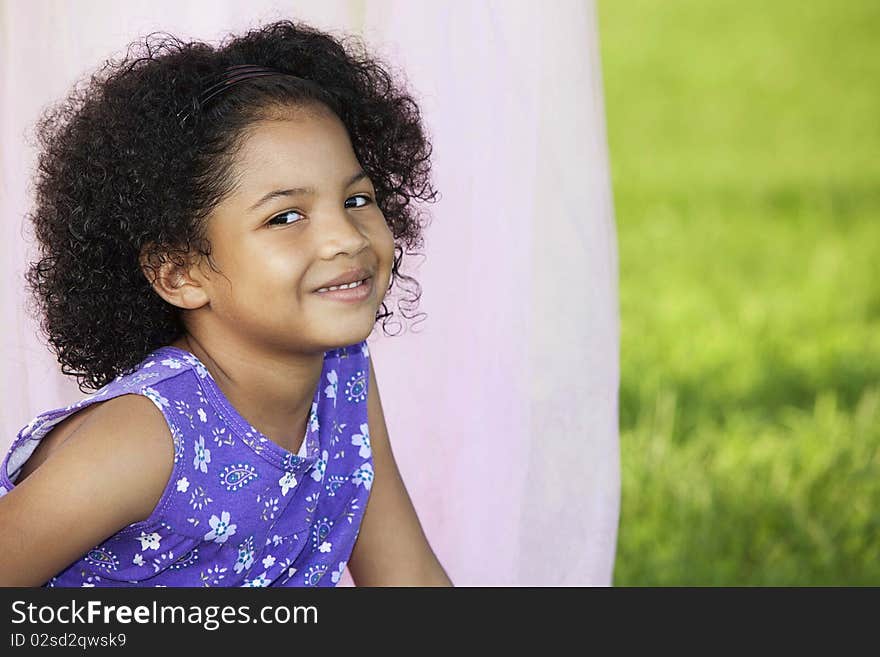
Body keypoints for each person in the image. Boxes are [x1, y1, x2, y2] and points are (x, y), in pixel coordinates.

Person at [0, 19, 451, 587]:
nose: (348, 238)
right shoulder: (145, 439)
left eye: (357, 198)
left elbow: (406, 579)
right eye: (286, 216)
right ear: (180, 272)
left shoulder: (344, 378)